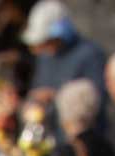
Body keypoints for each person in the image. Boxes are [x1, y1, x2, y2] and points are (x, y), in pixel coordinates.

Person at [25, 0, 108, 134]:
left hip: (82, 138)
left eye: (48, 41)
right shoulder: (45, 57)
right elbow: (37, 87)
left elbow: (97, 99)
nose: (45, 47)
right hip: (51, 135)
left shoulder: (90, 55)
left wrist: (57, 95)